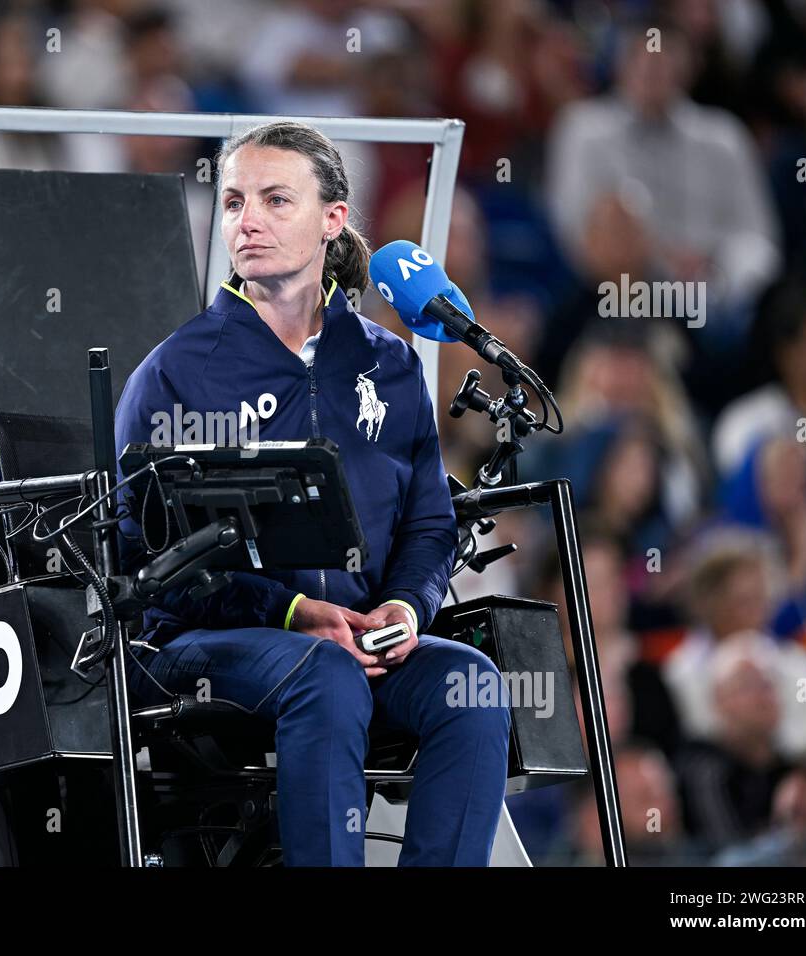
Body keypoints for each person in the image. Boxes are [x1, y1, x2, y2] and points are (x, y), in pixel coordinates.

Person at [114, 120, 510, 866]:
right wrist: (293, 613)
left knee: (473, 682)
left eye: (274, 200)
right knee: (323, 674)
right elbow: (150, 557)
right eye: (234, 202)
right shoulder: (175, 374)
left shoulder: (391, 366)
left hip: (359, 644)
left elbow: (430, 525)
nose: (247, 221)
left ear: (333, 219)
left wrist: (404, 608)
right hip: (202, 645)